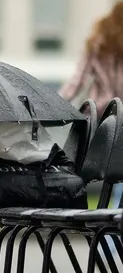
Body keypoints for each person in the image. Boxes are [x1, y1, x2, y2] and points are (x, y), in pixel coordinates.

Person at [60, 2, 123, 256]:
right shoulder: (102, 42)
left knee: (113, 188)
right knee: (118, 191)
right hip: (120, 125)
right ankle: (109, 250)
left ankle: (106, 250)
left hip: (105, 127)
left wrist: (52, 107)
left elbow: (78, 81)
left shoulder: (100, 40)